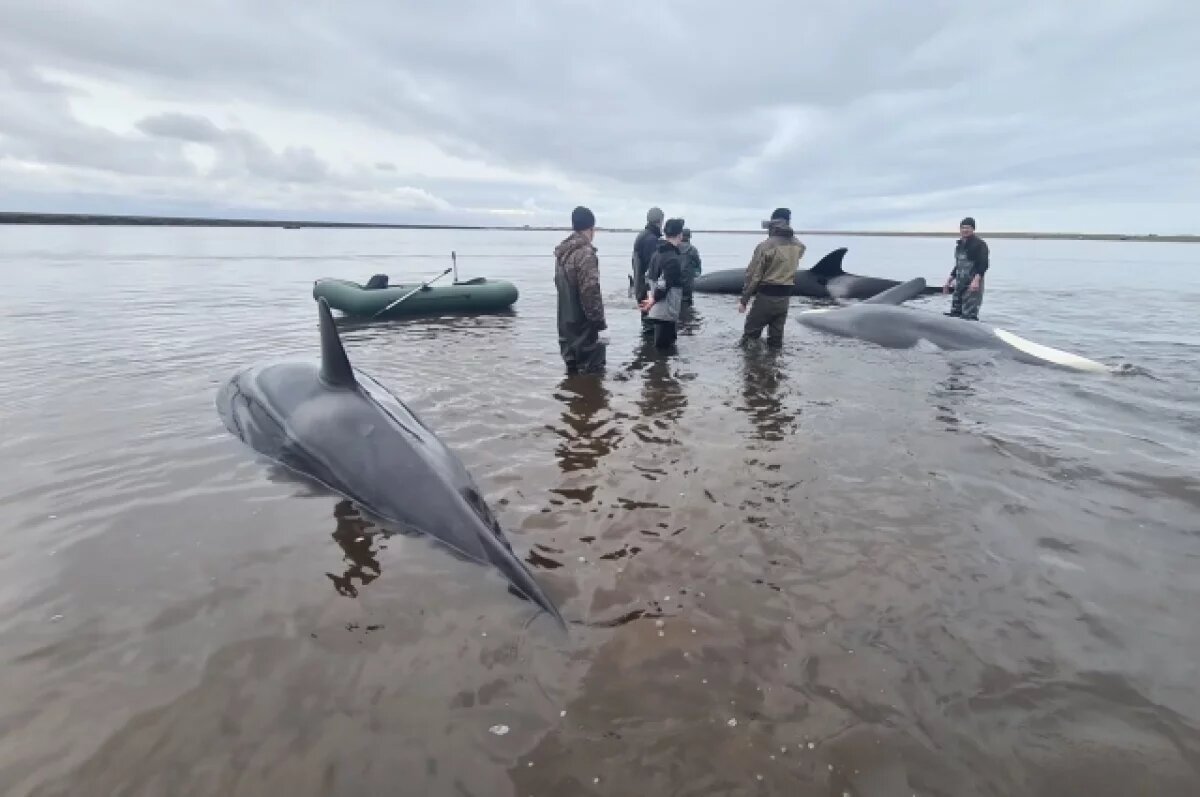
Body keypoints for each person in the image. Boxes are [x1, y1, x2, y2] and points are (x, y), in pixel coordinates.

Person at [738, 207, 806, 347]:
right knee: (776, 341)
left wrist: (744, 300)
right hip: (784, 300)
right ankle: (774, 367)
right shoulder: (798, 246)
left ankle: (751, 367)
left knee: (750, 337)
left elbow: (753, 276)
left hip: (766, 298)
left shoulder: (765, 246)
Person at [553, 205, 608, 374]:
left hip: (566, 331)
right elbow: (590, 292)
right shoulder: (585, 254)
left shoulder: (562, 253)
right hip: (583, 332)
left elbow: (558, 284)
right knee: (593, 383)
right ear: (591, 229)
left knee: (572, 380)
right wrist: (599, 323)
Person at [639, 218, 687, 350]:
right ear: (679, 235)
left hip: (657, 310)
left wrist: (650, 298)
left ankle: (657, 368)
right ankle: (660, 369)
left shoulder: (657, 253)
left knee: (661, 347)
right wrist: (653, 300)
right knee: (665, 349)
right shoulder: (672, 258)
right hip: (666, 311)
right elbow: (664, 284)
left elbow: (648, 277)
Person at [944, 216, 989, 320]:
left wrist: (976, 281)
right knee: (955, 314)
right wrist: (949, 280)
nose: (965, 230)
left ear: (973, 229)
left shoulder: (980, 244)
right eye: (963, 227)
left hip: (972, 284)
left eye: (968, 227)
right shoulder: (959, 245)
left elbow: (983, 264)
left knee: (968, 316)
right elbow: (958, 265)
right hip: (960, 284)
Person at [631, 207, 664, 336]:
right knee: (651, 329)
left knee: (647, 325)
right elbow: (653, 269)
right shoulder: (651, 240)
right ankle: (650, 353)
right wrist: (653, 294)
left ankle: (646, 353)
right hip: (647, 290)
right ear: (659, 221)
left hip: (640, 287)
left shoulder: (642, 236)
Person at [679, 227, 702, 304]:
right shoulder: (692, 249)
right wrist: (697, 272)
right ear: (689, 237)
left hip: (676, 281)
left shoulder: (674, 248)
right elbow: (697, 263)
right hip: (688, 280)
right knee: (687, 301)